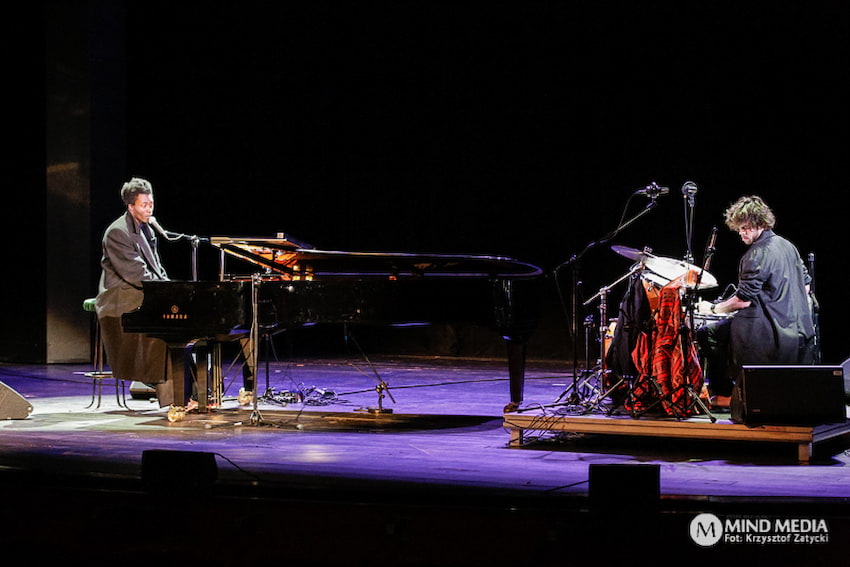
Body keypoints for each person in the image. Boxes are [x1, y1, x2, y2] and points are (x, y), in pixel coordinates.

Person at [696, 195, 815, 411]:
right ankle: (730, 391)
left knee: (707, 333)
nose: (742, 233)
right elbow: (806, 286)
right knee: (719, 331)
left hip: (768, 334)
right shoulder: (788, 245)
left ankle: (724, 394)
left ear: (760, 223)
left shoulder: (757, 253)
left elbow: (742, 301)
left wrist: (712, 308)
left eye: (746, 228)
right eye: (739, 229)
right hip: (796, 330)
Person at [95, 177, 188, 408]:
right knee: (163, 331)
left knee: (181, 327)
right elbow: (135, 273)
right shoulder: (117, 232)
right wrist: (165, 291)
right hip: (121, 297)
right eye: (143, 205)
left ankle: (191, 394)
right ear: (130, 206)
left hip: (142, 292)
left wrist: (172, 288)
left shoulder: (147, 229)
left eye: (151, 204)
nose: (148, 209)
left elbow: (155, 269)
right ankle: (173, 400)